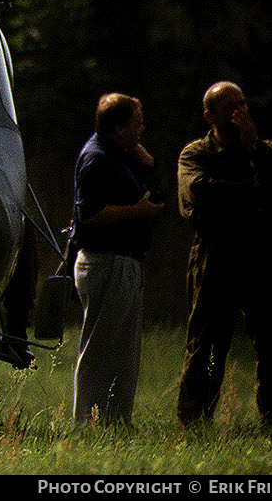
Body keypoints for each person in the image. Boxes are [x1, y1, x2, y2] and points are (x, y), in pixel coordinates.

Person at [176, 82, 272, 429]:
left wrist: (252, 149)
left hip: (261, 256)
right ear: (209, 115)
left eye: (241, 105)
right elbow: (199, 194)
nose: (237, 114)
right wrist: (248, 188)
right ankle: (196, 420)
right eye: (229, 107)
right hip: (216, 258)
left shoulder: (264, 151)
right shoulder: (197, 154)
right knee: (209, 344)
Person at [69, 93, 164, 426]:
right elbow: (90, 215)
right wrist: (137, 212)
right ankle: (90, 423)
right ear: (119, 127)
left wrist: (145, 161)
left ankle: (116, 421)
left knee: (123, 352)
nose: (142, 129)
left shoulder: (119, 154)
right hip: (106, 262)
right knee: (101, 350)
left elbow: (149, 175)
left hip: (124, 262)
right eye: (136, 123)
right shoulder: (96, 158)